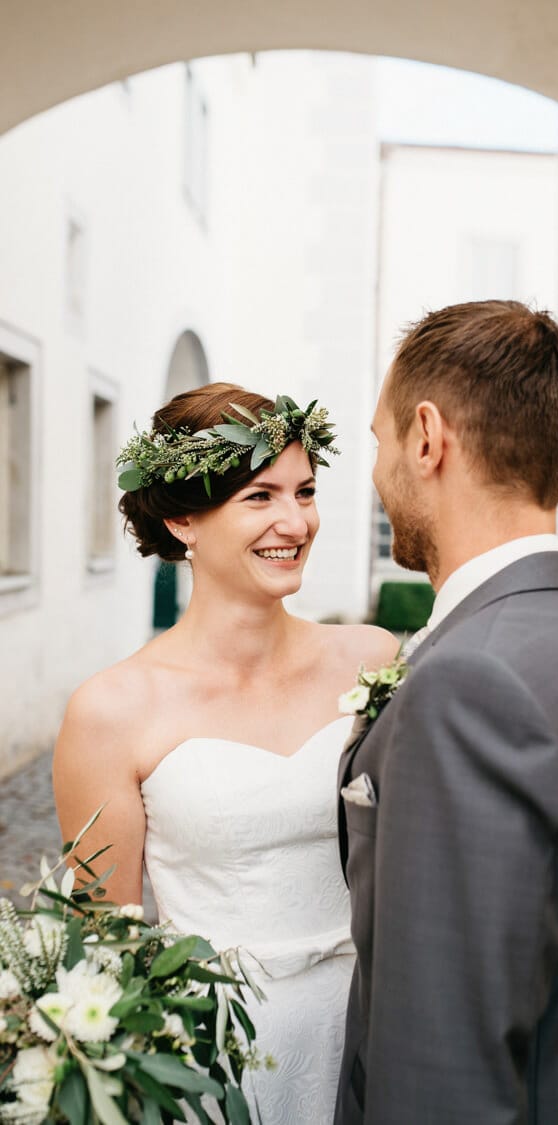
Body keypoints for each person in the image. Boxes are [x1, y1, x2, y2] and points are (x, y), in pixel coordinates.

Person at [336, 300, 558, 1125]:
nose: (375, 474)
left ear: (426, 437)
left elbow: (443, 1075)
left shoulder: (468, 685)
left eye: (379, 442)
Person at [53, 382, 398, 1125]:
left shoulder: (371, 661)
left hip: (372, 1027)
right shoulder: (112, 709)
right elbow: (107, 947)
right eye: (258, 496)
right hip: (217, 1057)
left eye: (305, 491)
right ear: (182, 519)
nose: (294, 522)